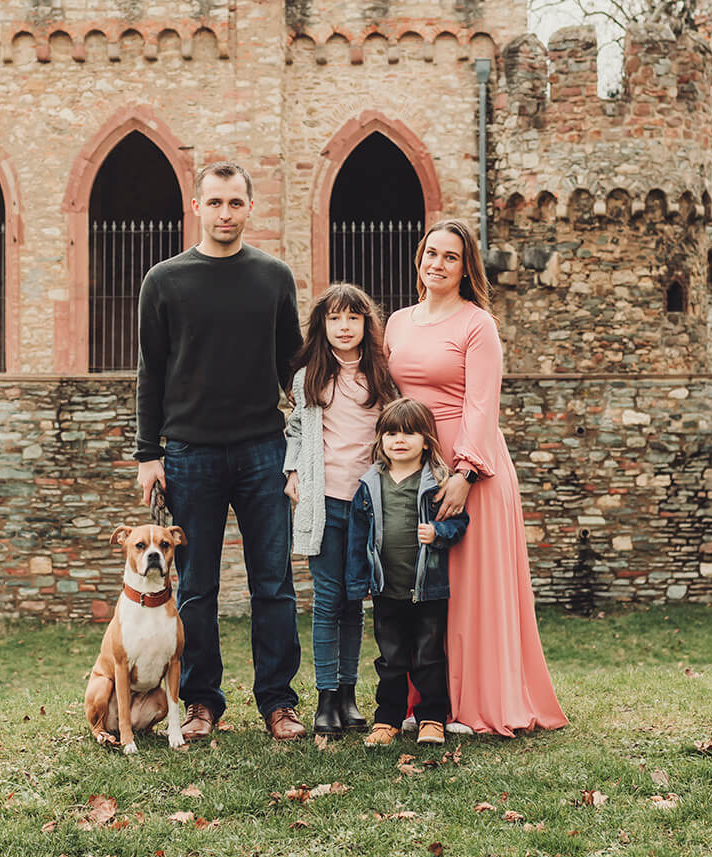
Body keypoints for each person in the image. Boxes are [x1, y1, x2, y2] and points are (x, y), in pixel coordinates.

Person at [134, 160, 308, 742]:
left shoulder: (274, 276)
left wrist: (306, 447)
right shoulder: (164, 280)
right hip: (190, 454)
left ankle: (278, 703)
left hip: (263, 450)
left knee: (273, 584)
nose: (225, 214)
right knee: (199, 587)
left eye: (236, 203)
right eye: (215, 203)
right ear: (197, 207)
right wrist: (147, 454)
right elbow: (150, 373)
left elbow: (294, 368)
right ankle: (203, 703)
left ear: (250, 208)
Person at [384, 218, 567, 736]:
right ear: (419, 257)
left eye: (450, 257)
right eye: (431, 253)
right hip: (413, 465)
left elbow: (482, 404)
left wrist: (465, 472)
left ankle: (476, 703)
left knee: (469, 588)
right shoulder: (397, 322)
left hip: (472, 464)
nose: (437, 264)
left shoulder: (477, 324)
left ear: (466, 269)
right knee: (422, 587)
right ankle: (427, 704)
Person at [283, 282, 400, 734]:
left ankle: (349, 697)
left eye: (353, 317)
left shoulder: (382, 376)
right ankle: (325, 698)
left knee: (356, 600)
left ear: (366, 324)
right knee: (328, 599)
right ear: (322, 326)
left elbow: (395, 430)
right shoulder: (309, 376)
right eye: (334, 318)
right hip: (323, 500)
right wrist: (292, 473)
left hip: (367, 504)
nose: (344, 326)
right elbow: (295, 429)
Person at [345, 398, 468, 747]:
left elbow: (460, 522)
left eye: (410, 433)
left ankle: (431, 718)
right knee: (391, 659)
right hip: (387, 590)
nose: (400, 440)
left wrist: (438, 534)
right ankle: (388, 720)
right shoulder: (369, 485)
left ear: (426, 441)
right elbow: (358, 538)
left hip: (428, 588)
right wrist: (358, 582)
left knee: (429, 656)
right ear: (381, 439)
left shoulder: (436, 482)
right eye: (392, 433)